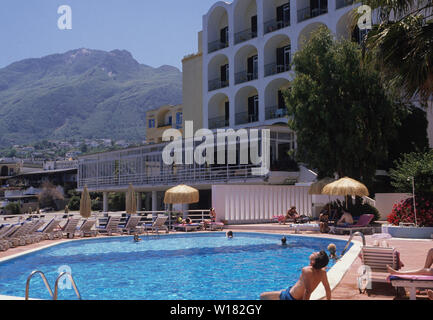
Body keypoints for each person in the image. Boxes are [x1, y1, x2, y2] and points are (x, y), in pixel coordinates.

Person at [260, 250, 332, 300]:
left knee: (262, 296)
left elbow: (308, 291)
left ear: (314, 261)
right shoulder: (322, 272)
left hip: (290, 297)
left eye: (315, 253)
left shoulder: (307, 270)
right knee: (282, 291)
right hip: (292, 292)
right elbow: (327, 289)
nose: (313, 252)